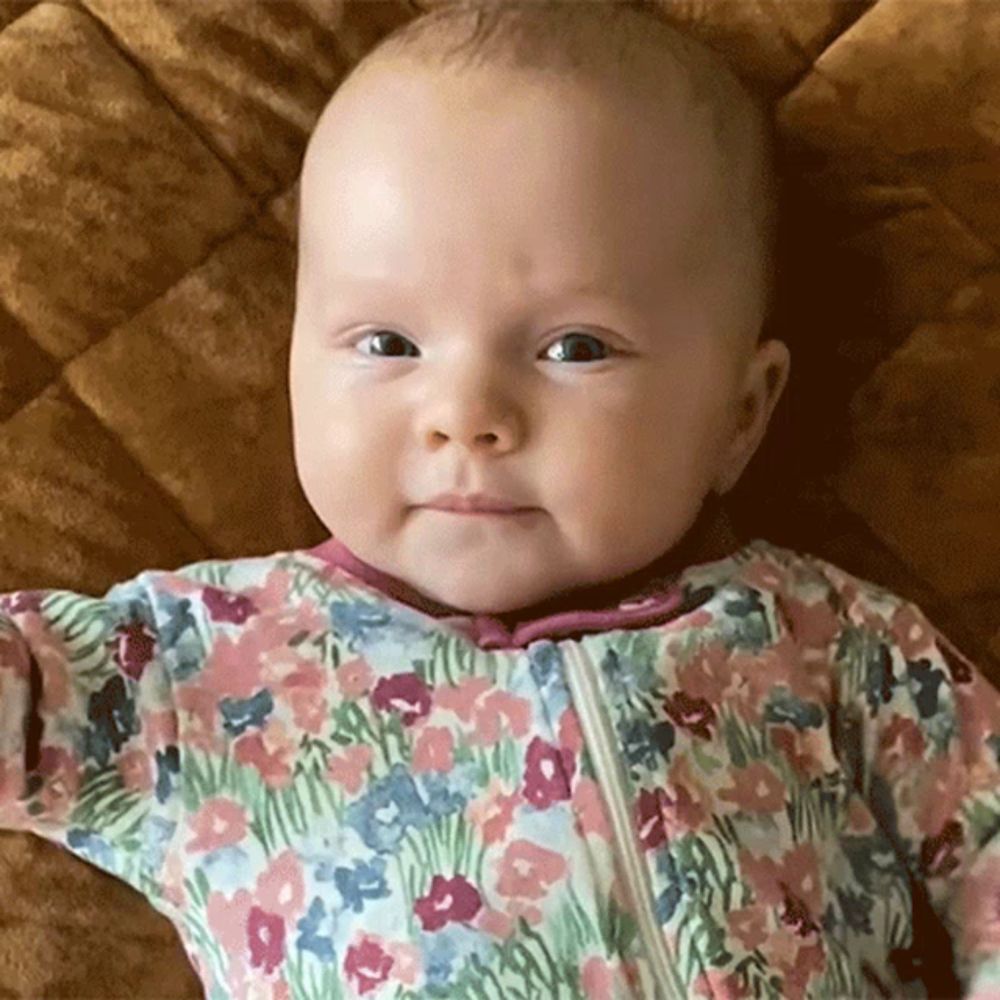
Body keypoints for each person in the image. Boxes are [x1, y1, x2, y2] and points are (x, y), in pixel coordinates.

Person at [1, 3, 997, 997]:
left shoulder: (829, 645)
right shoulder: (196, 666)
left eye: (576, 348)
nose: (466, 414)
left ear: (739, 415)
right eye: (387, 342)